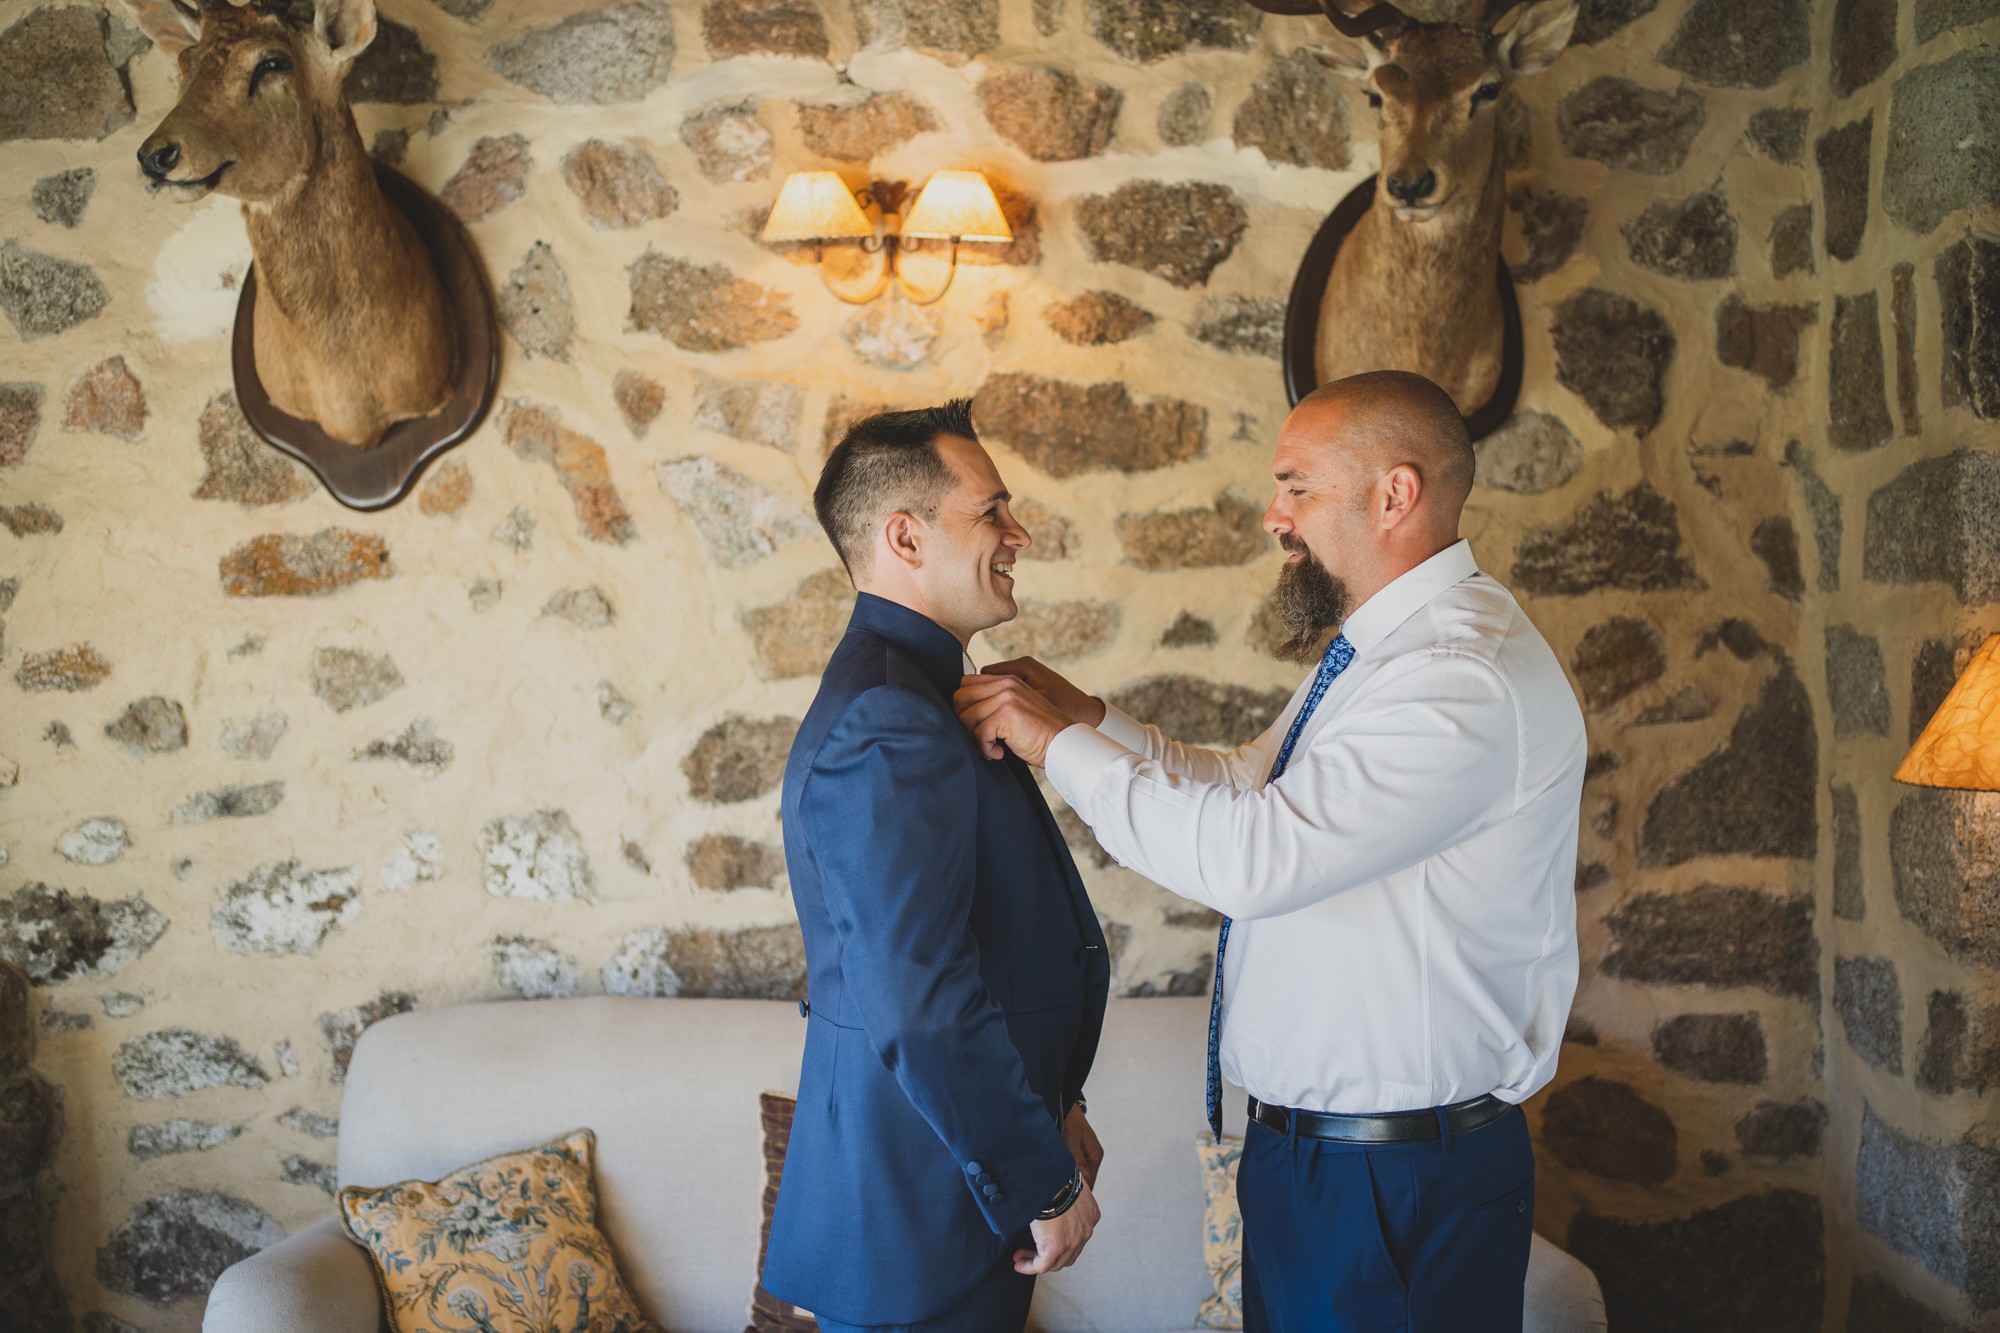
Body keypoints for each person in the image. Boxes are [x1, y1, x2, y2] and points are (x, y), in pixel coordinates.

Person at [955, 371, 1586, 1332]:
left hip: (1393, 1178)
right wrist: (1091, 720)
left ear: (1396, 493)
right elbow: (1253, 787)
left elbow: (1257, 856)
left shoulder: (1456, 676)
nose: (1272, 515)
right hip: (1322, 1165)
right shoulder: (1385, 654)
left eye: (1297, 485)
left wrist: (1054, 748)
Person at [763, 401, 1111, 1333]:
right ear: (905, 537)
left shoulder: (920, 691)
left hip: (947, 1185)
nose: (1018, 533)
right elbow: (917, 995)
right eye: (991, 511)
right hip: (920, 1209)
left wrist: (1056, 1107)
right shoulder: (890, 714)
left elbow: (988, 943)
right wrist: (1038, 1174)